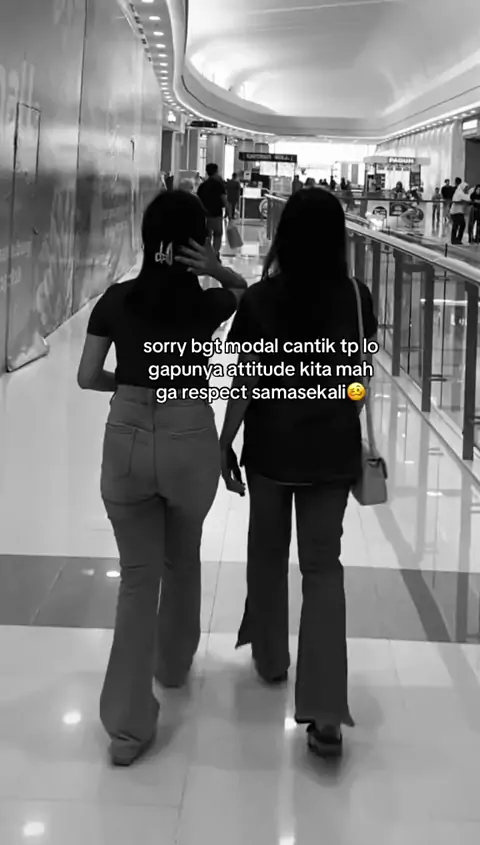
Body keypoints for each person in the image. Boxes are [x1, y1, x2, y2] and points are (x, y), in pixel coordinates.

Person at [77, 190, 247, 767]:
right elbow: (248, 293)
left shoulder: (116, 299)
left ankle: (126, 729)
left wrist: (130, 387)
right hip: (187, 436)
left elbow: (87, 376)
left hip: (125, 438)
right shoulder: (207, 304)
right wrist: (216, 268)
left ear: (146, 238)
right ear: (197, 243)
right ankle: (172, 665)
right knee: (183, 556)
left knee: (136, 578)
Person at [219, 188, 377, 759]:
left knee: (266, 551)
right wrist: (343, 411)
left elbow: (245, 381)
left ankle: (270, 658)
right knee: (323, 568)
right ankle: (327, 713)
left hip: (271, 449)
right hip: (331, 452)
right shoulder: (356, 297)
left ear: (284, 235)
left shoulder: (261, 299)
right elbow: (360, 378)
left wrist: (224, 440)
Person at [197, 163, 227, 258]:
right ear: (216, 172)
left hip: (204, 214)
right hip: (216, 214)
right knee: (217, 234)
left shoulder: (202, 186)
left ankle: (207, 253)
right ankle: (215, 253)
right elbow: (224, 199)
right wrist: (229, 213)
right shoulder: (219, 185)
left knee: (207, 235)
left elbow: (198, 200)